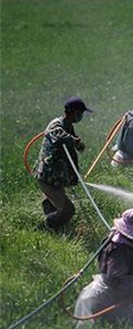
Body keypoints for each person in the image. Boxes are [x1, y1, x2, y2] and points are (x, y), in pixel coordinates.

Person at [74, 208, 133, 328]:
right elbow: (114, 278)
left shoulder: (115, 240)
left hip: (110, 295)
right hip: (108, 298)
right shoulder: (120, 251)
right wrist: (131, 297)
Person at [33, 97, 92, 230]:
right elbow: (59, 138)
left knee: (55, 206)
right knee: (68, 210)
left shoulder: (69, 126)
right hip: (48, 177)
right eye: (80, 113)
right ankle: (43, 227)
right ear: (74, 112)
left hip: (57, 178)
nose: (81, 116)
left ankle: (55, 231)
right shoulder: (56, 125)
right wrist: (74, 141)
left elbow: (71, 148)